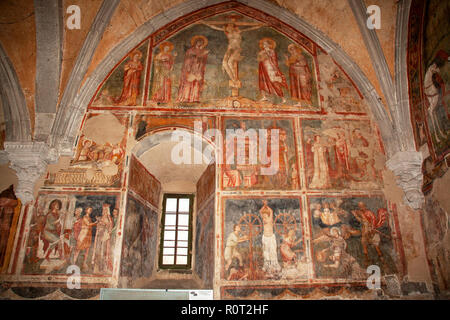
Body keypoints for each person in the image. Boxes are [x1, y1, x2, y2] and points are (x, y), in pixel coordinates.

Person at [177, 35, 209, 103]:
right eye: (198, 42)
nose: (200, 43)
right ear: (195, 42)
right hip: (190, 69)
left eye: (201, 42)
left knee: (196, 83)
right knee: (188, 83)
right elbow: (187, 59)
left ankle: (195, 98)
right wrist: (197, 56)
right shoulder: (190, 50)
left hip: (198, 69)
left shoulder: (202, 51)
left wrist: (203, 55)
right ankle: (186, 98)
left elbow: (203, 61)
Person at [257, 38, 288, 103]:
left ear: (269, 44)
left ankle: (283, 98)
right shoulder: (261, 52)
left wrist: (267, 54)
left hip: (270, 68)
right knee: (263, 82)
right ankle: (264, 96)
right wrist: (261, 55)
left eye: (266, 44)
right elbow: (259, 59)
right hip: (263, 68)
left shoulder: (272, 51)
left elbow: (274, 60)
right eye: (263, 44)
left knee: (274, 82)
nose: (264, 45)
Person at [259, 200, 281, 275]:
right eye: (263, 216)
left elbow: (271, 211)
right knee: (266, 253)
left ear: (268, 216)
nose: (264, 217)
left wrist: (266, 205)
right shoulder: (263, 220)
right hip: (265, 238)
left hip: (271, 238)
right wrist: (263, 206)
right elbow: (260, 211)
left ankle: (274, 267)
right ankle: (267, 267)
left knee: (273, 252)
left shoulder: (270, 219)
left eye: (265, 216)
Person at [92, 203, 113, 273]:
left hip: (104, 237)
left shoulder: (109, 218)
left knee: (103, 251)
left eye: (106, 210)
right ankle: (96, 267)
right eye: (103, 210)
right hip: (99, 236)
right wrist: (99, 224)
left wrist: (105, 226)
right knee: (97, 250)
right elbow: (98, 226)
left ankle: (102, 267)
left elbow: (110, 227)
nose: (104, 211)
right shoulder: (101, 218)